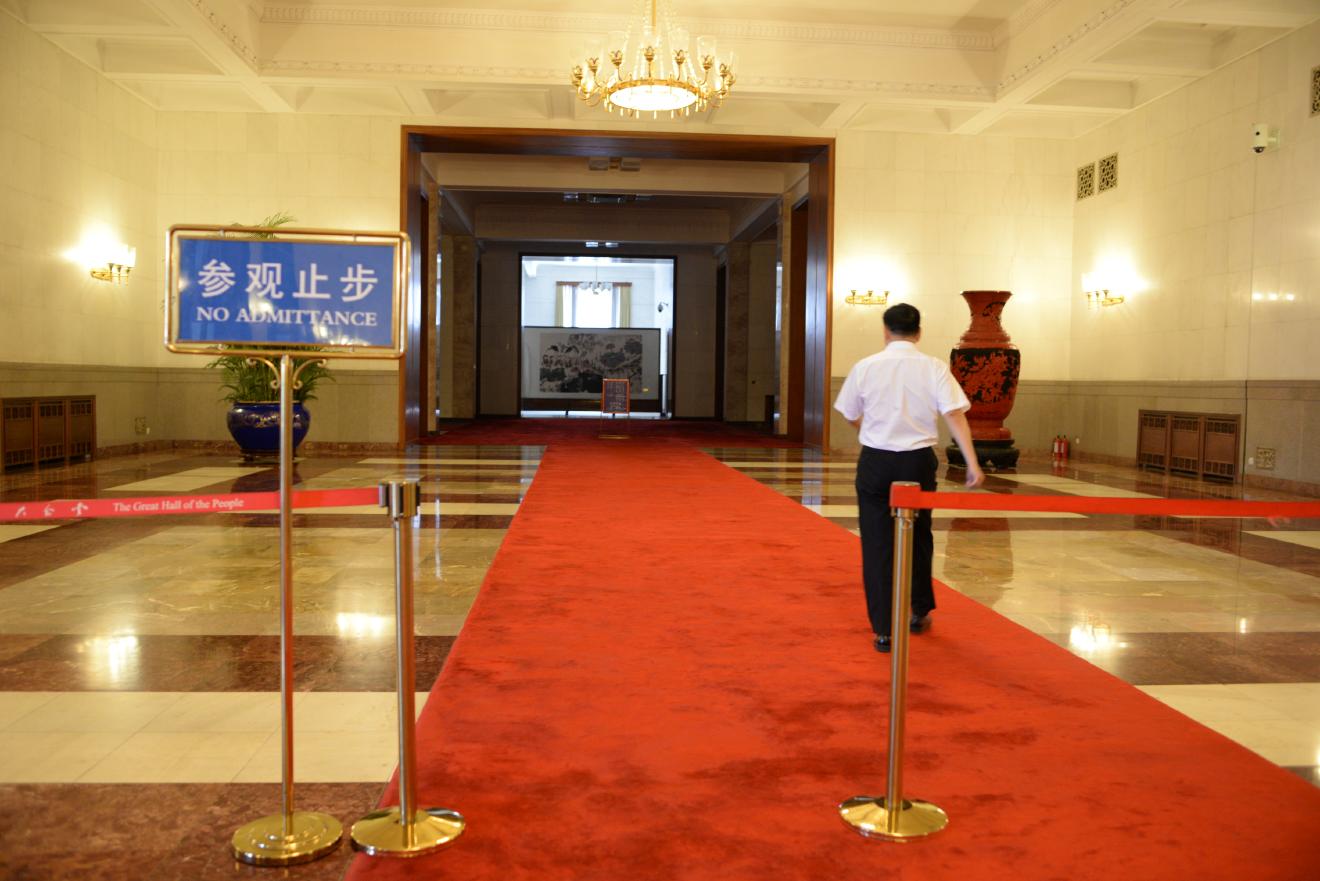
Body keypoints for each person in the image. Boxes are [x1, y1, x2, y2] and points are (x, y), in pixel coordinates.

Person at [834, 303, 985, 653]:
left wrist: (870, 430)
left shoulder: (866, 366)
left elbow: (849, 412)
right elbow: (954, 415)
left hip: (876, 460)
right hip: (917, 463)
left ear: (886, 331)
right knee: (918, 535)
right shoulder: (934, 367)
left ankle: (884, 630)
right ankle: (918, 610)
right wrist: (972, 463)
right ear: (919, 332)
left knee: (877, 544)